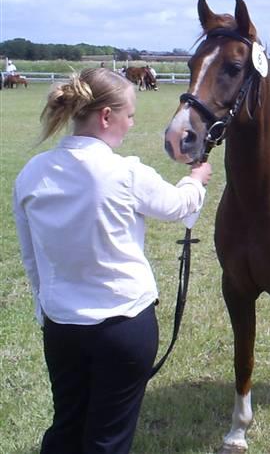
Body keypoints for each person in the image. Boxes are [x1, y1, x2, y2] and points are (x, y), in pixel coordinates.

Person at [13, 68, 213, 454]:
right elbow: (178, 206)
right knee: (108, 439)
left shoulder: (31, 174)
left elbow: (31, 257)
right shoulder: (126, 173)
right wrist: (196, 178)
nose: (131, 123)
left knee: (66, 426)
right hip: (123, 326)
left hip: (61, 327)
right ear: (106, 116)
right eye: (131, 115)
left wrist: (47, 309)